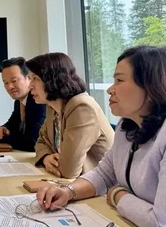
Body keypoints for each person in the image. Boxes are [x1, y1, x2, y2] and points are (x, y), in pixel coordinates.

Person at [37, 46, 166, 227]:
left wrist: (116, 195)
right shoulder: (126, 126)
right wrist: (68, 191)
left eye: (119, 80)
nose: (110, 89)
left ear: (151, 85)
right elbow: (104, 173)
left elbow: (159, 222)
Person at [27, 53, 114, 179]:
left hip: (100, 189)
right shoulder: (53, 106)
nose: (30, 86)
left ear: (52, 79)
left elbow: (68, 170)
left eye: (35, 78)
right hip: (74, 183)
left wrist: (57, 162)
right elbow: (41, 141)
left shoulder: (81, 107)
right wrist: (46, 158)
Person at [0, 57, 46, 151]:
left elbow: (33, 141)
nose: (10, 87)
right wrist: (3, 128)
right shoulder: (19, 101)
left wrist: (2, 139)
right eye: (5, 83)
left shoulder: (39, 101)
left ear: (29, 78)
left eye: (14, 81)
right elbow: (12, 123)